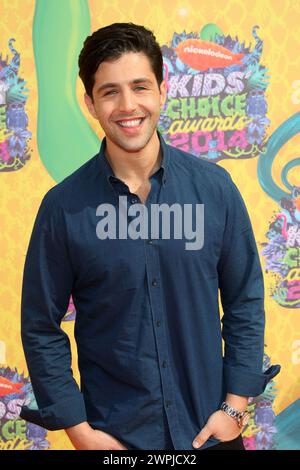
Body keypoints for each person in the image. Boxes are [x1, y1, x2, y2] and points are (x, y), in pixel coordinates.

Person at [20, 22, 281, 451]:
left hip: (210, 436)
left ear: (162, 90)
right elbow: (39, 325)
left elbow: (244, 299)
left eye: (140, 86)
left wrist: (234, 407)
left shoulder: (214, 191)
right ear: (89, 102)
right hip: (115, 442)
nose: (128, 105)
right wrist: (80, 432)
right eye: (109, 91)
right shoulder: (63, 208)